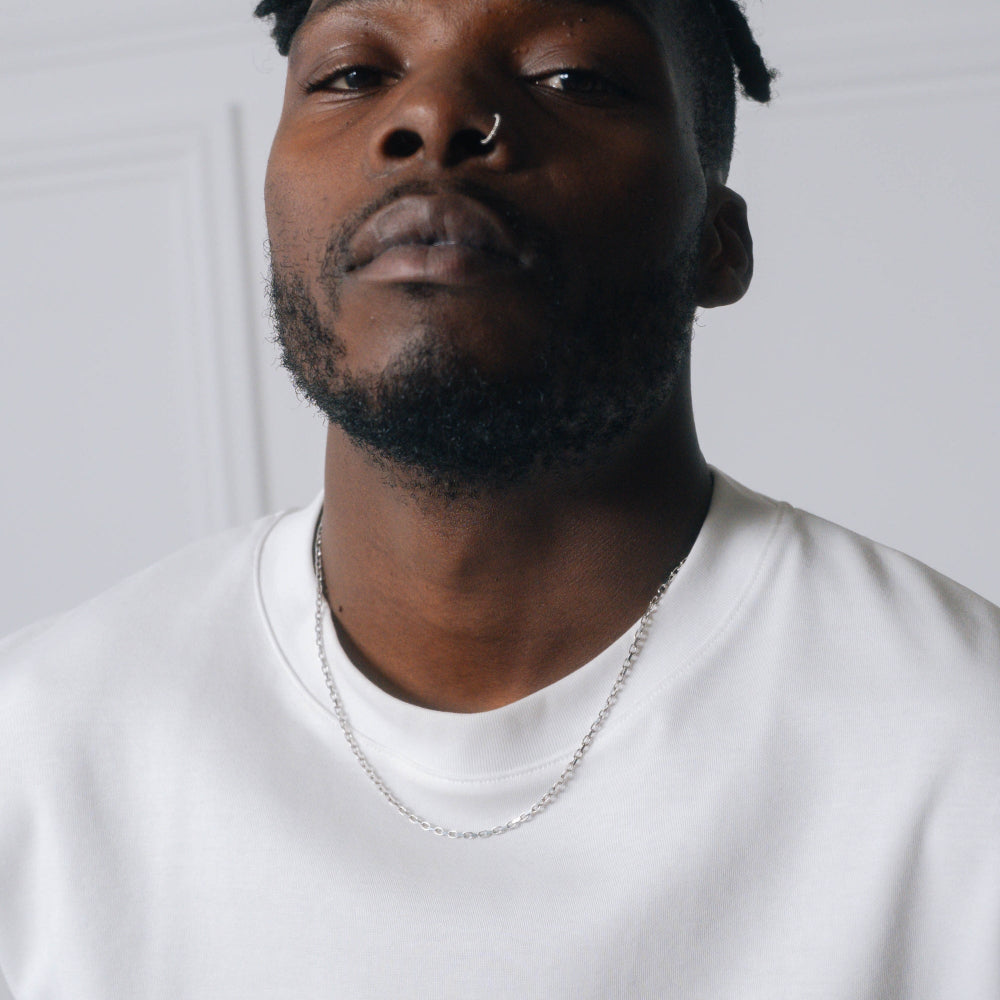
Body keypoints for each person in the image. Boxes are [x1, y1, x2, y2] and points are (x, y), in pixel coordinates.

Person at [1, 0, 998, 996]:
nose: (433, 114)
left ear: (717, 244)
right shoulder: (38, 745)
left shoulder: (960, 754)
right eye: (353, 74)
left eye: (571, 76)